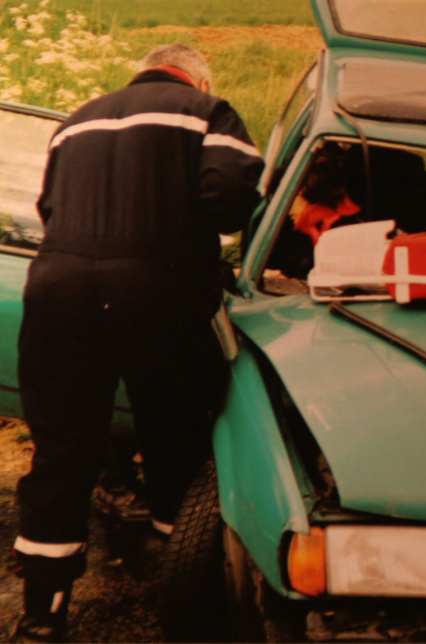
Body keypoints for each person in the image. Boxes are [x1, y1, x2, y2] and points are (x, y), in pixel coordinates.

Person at [12, 44, 264, 642]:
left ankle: (40, 616)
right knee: (176, 433)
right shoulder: (207, 109)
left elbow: (50, 208)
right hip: (161, 288)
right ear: (200, 74)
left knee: (61, 451)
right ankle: (181, 595)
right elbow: (231, 197)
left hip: (58, 286)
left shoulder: (77, 119)